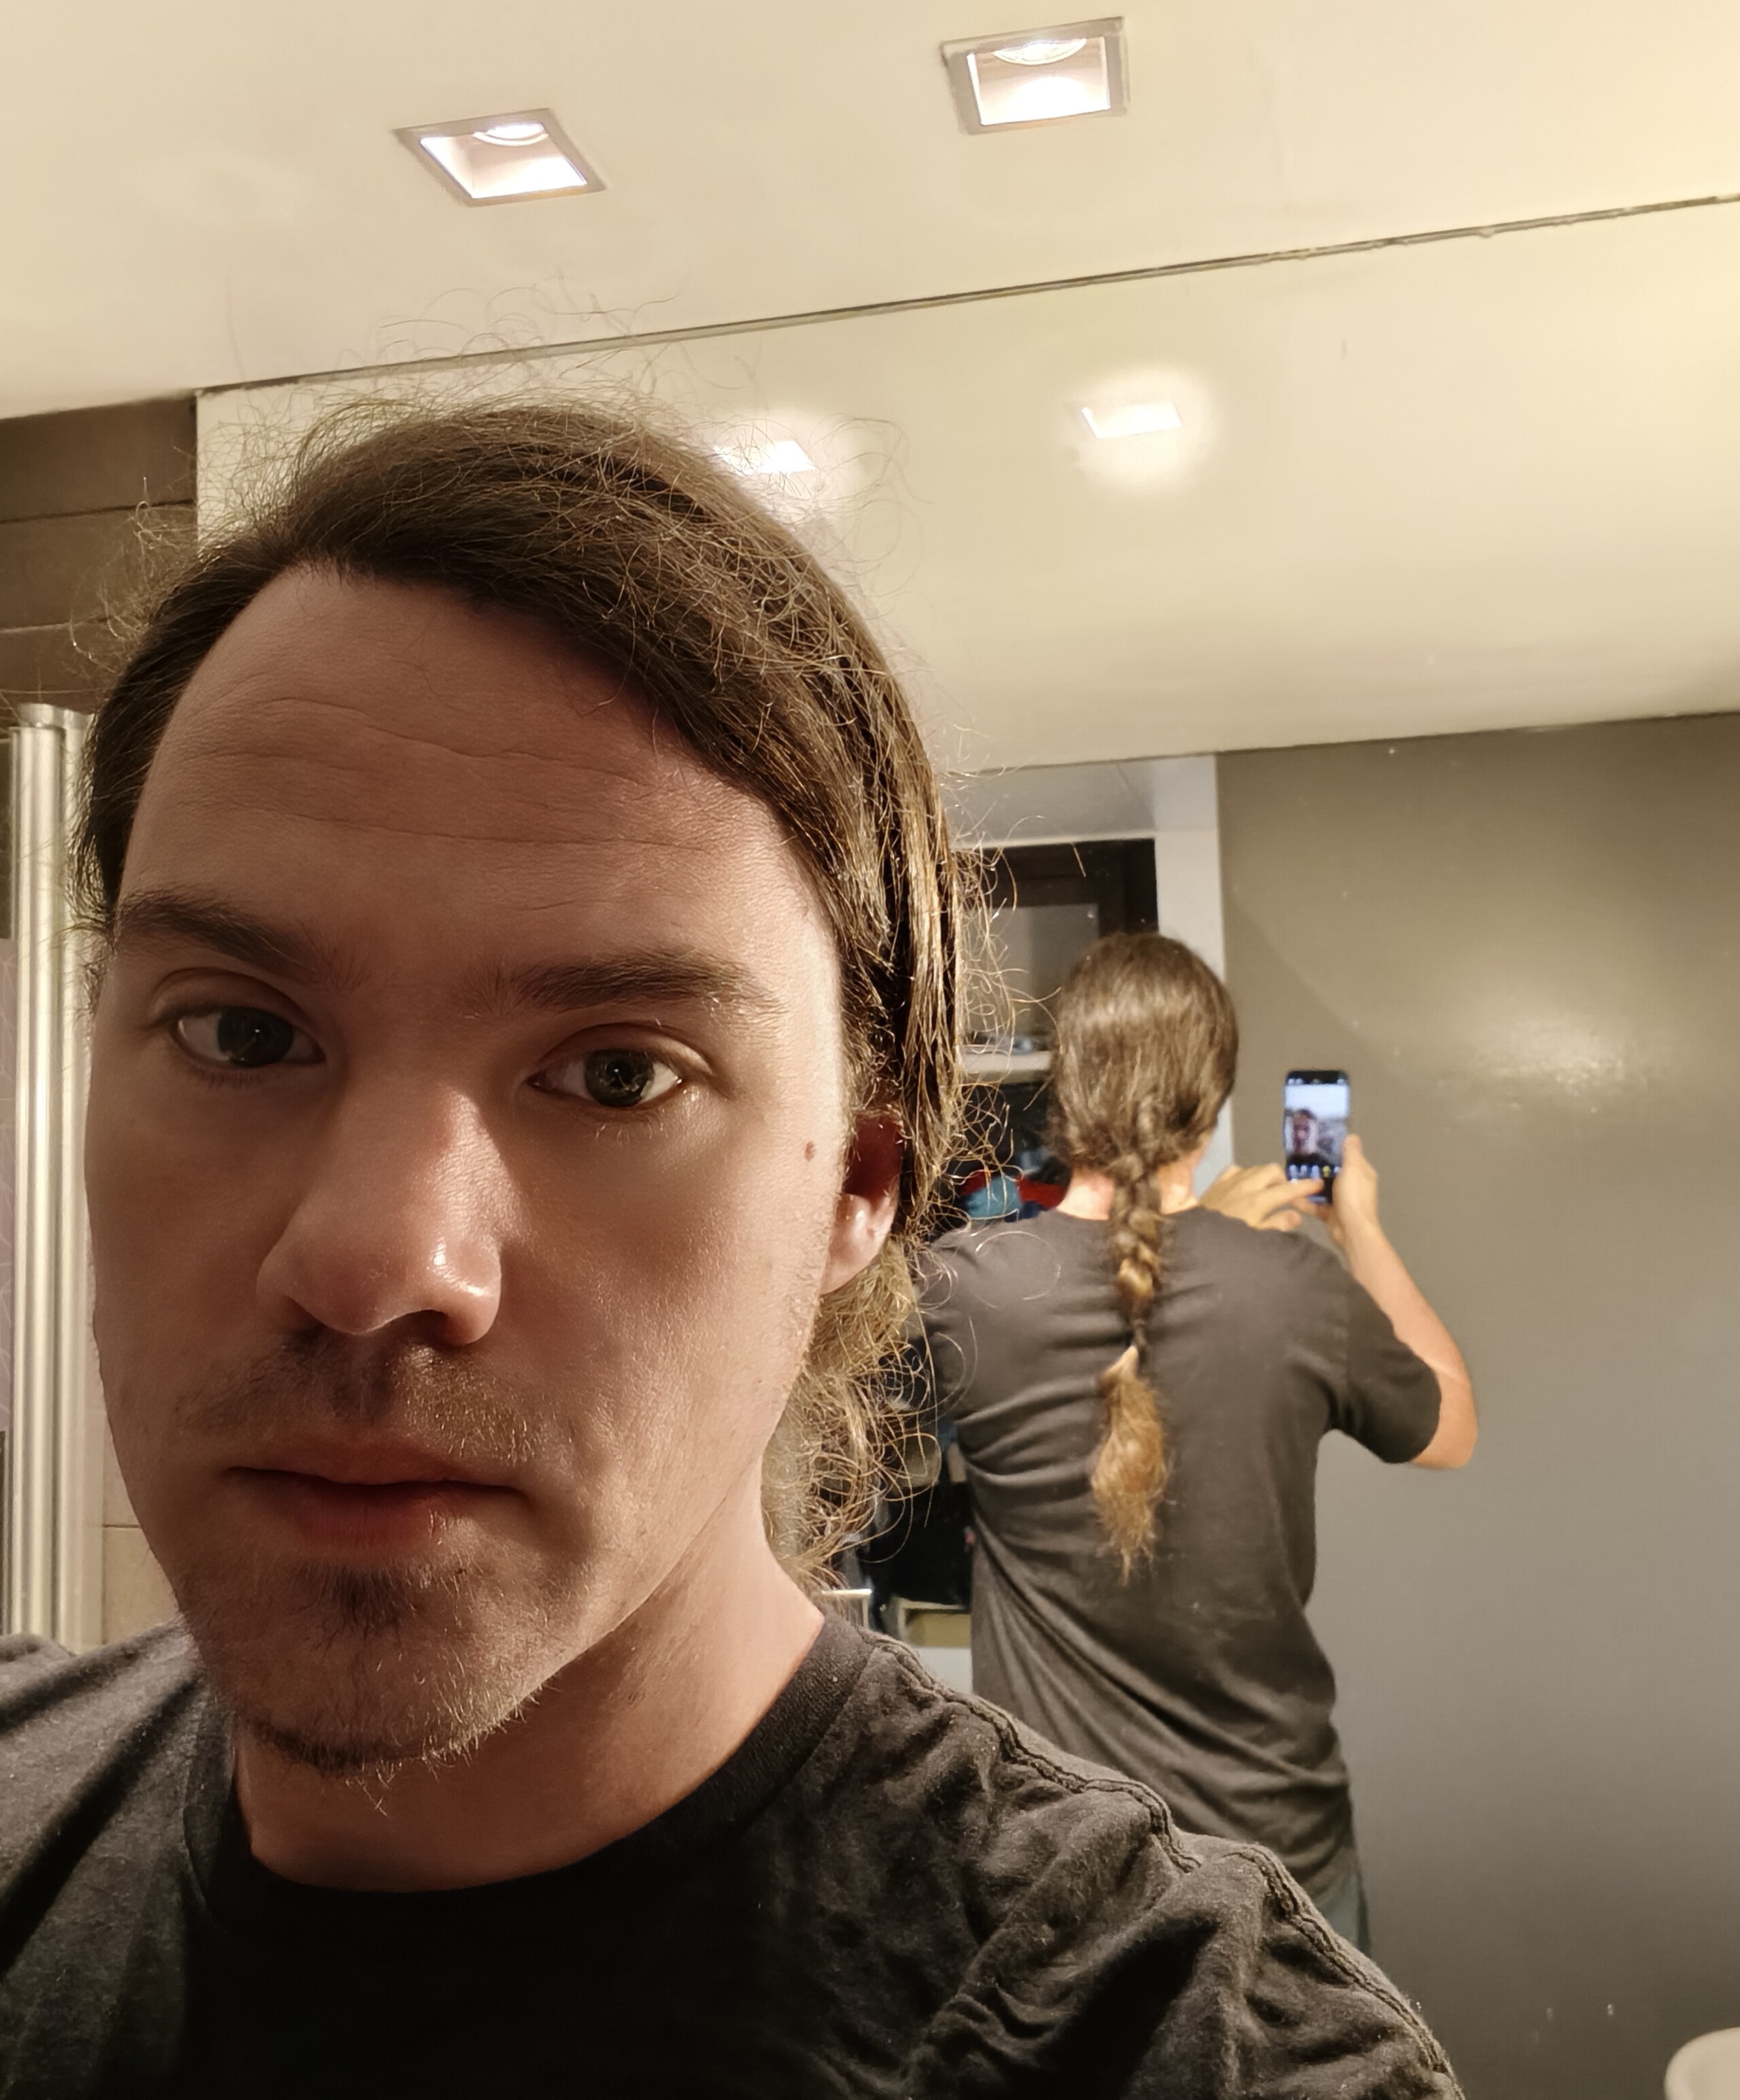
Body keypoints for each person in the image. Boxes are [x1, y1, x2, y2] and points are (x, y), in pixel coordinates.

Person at [0, 405, 1460, 2096]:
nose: (379, 1259)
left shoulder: (1173, 2047)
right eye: (241, 1033)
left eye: (619, 1073)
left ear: (856, 1186)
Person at [923, 931, 1477, 1953]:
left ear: (1066, 1085)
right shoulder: (1293, 1290)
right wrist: (1355, 1227)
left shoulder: (970, 1290)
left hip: (1056, 1861)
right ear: (1213, 1100)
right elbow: (1450, 1426)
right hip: (1274, 1860)